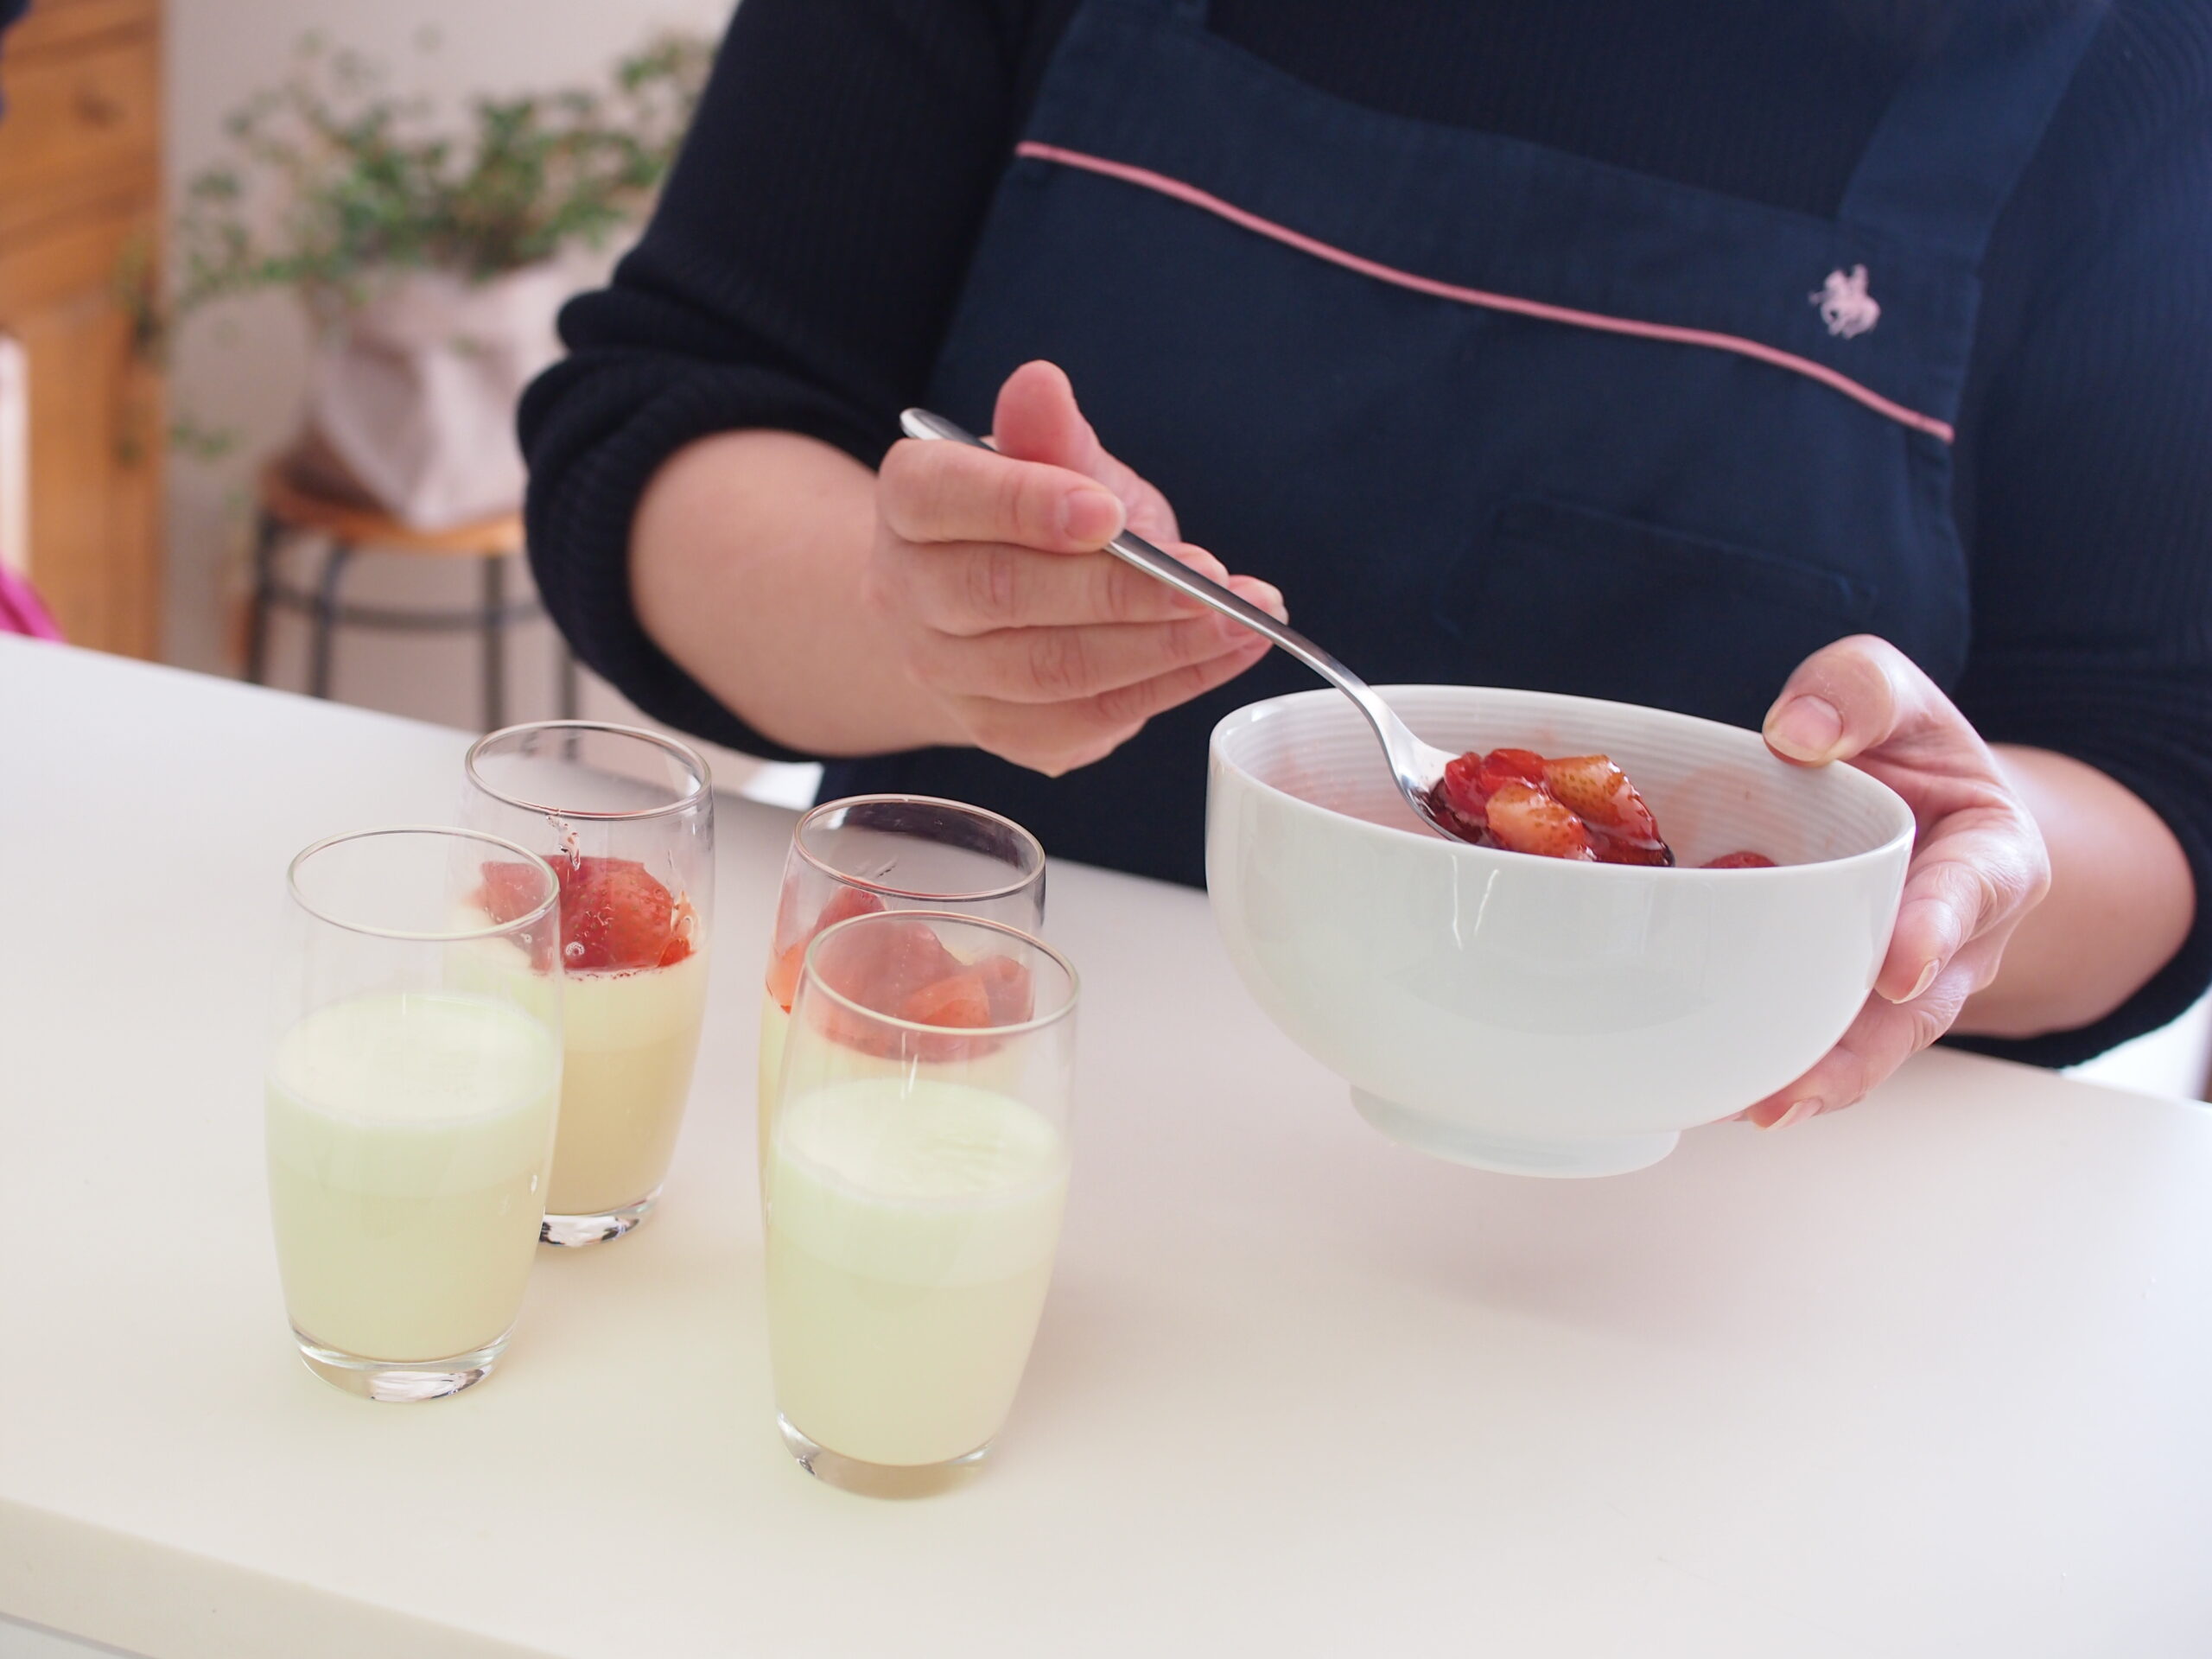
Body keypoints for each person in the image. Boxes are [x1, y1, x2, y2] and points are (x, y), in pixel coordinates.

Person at [522, 0, 2212, 1127]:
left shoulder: (2139, 62)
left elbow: (2158, 773)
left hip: (1704, 1278)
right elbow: (660, 426)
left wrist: (1924, 877)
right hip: (963, 1127)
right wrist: (912, 624)